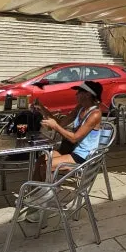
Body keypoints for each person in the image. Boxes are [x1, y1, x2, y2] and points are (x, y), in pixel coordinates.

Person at [28, 81, 103, 221]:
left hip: (83, 156)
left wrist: (55, 127)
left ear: (87, 94)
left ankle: (45, 206)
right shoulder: (80, 108)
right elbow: (60, 123)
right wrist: (42, 108)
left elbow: (74, 138)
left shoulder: (95, 114)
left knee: (47, 165)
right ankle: (36, 199)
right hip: (71, 151)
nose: (76, 95)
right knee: (40, 160)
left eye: (79, 92)